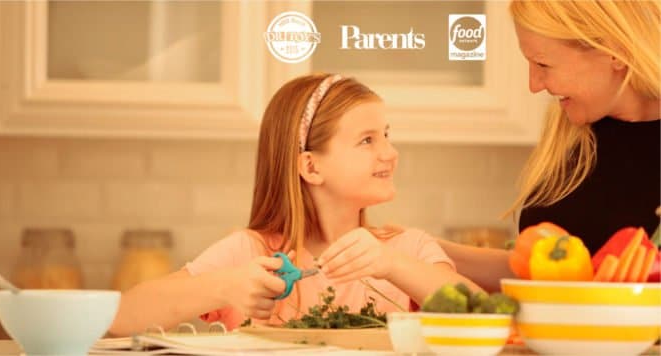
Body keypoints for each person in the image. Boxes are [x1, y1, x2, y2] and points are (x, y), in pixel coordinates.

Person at [109, 74, 480, 336]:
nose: (390, 152)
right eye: (367, 140)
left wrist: (391, 264)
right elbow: (120, 318)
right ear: (311, 166)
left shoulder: (406, 250)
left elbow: (482, 315)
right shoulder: (252, 253)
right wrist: (227, 285)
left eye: (386, 135)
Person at [439, 0, 660, 292]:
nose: (534, 84)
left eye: (543, 64)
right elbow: (536, 274)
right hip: (550, 338)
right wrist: (423, 250)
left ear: (614, 52)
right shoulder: (569, 135)